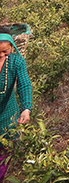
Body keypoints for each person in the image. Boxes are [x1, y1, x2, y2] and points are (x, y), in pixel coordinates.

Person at [0, 27, 32, 180]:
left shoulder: (16, 61)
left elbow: (24, 84)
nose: (1, 55)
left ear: (12, 46)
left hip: (8, 116)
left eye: (5, 51)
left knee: (3, 157)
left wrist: (26, 108)